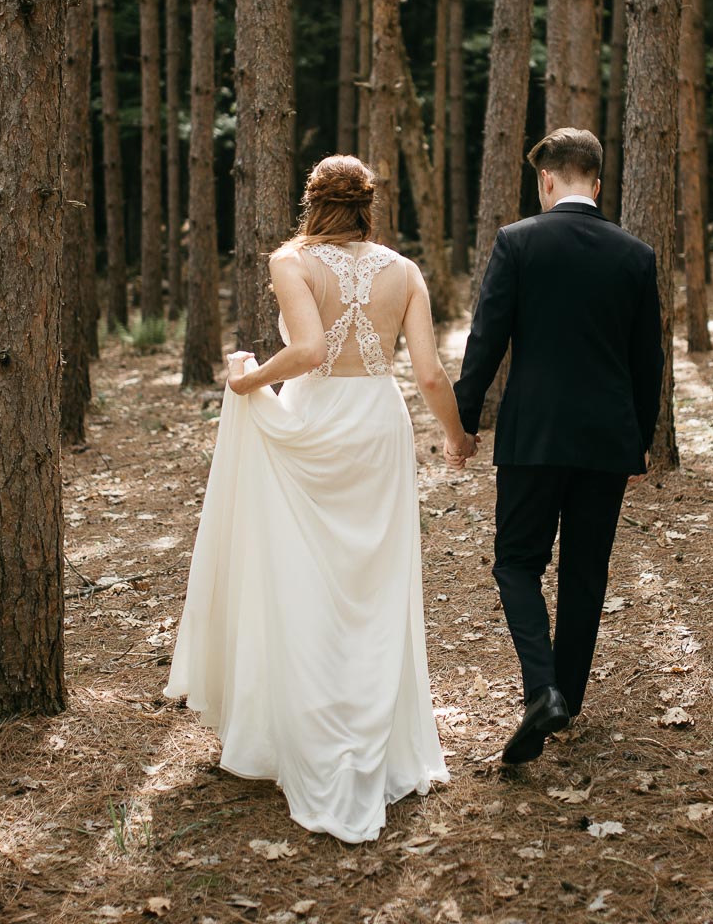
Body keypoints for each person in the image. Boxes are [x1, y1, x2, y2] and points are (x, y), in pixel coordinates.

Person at [164, 155, 471, 843]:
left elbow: (306, 351)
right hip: (378, 426)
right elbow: (428, 374)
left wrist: (246, 383)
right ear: (369, 204)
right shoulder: (405, 271)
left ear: (311, 201)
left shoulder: (291, 261)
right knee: (375, 583)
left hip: (314, 424)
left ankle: (302, 728)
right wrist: (456, 437)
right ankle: (378, 735)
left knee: (303, 579)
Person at [451, 127, 665, 767]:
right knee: (585, 571)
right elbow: (648, 360)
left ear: (546, 179)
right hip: (606, 439)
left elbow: (487, 337)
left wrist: (464, 422)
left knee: (517, 562)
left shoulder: (517, 241)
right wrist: (641, 441)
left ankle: (541, 689)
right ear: (596, 182)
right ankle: (564, 699)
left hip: (533, 437)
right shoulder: (636, 255)